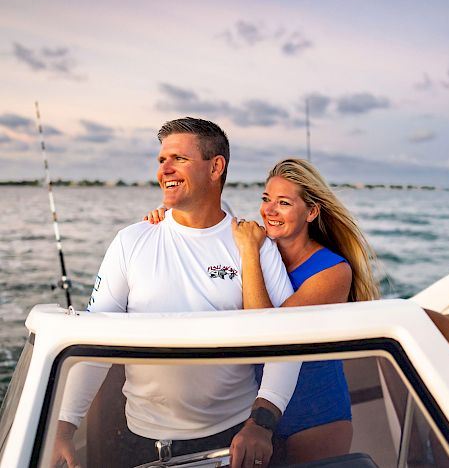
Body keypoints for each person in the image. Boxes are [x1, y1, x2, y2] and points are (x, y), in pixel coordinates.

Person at [52, 118, 301, 468]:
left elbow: (288, 339)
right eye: (161, 160)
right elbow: (96, 342)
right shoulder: (132, 241)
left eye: (179, 159)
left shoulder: (253, 244)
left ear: (216, 167)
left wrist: (261, 424)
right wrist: (64, 427)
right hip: (138, 440)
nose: (164, 169)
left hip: (231, 441)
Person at [146, 158, 380, 464]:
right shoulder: (258, 244)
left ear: (311, 212)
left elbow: (268, 334)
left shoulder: (333, 272)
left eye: (283, 203)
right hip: (251, 410)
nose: (269, 210)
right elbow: (205, 218)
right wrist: (170, 219)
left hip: (314, 414)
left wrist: (249, 253)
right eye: (266, 199)